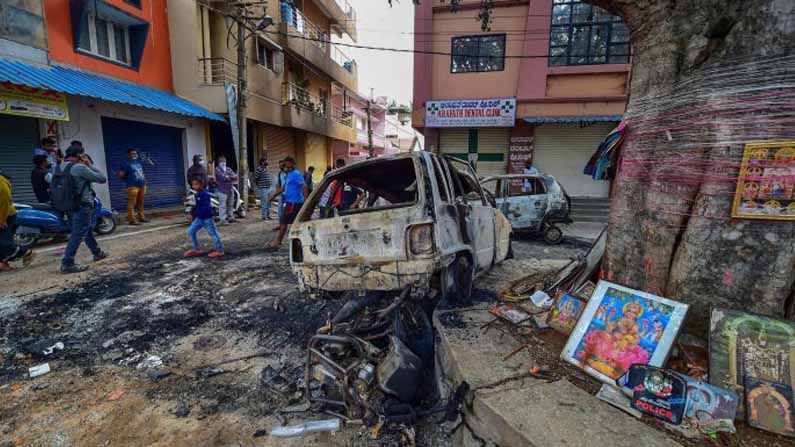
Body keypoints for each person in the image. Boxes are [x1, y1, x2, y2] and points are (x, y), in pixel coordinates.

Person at [60, 145, 108, 274]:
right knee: (78, 233)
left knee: (84, 229)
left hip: (68, 205)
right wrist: (89, 164)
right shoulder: (79, 168)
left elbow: (49, 180)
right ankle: (67, 263)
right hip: (82, 204)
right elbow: (102, 179)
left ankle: (97, 252)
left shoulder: (58, 167)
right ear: (80, 155)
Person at [268, 157, 307, 248]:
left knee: (283, 221)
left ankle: (278, 242)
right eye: (285, 164)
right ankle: (299, 241)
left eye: (287, 164)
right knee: (295, 222)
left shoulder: (296, 174)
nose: (286, 166)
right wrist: (273, 195)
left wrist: (306, 201)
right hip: (290, 202)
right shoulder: (289, 175)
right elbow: (283, 187)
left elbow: (304, 187)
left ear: (293, 164)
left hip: (294, 202)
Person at [0, 171, 35, 271]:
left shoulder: (1, 181)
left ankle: (26, 253)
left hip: (6, 215)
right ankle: (3, 264)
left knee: (4, 243)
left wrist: (2, 219)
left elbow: (5, 201)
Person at [184, 178, 224, 258]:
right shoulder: (197, 194)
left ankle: (220, 251)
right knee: (191, 231)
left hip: (207, 218)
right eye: (193, 184)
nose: (194, 186)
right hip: (199, 218)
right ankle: (196, 249)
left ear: (201, 185)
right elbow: (197, 206)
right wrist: (193, 214)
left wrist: (197, 214)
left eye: (196, 184)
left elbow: (205, 208)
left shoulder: (204, 194)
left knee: (213, 233)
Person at [118, 149, 147, 225]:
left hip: (142, 185)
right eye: (132, 153)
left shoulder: (139, 162)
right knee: (132, 203)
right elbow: (121, 175)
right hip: (132, 186)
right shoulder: (125, 163)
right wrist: (128, 181)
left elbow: (142, 172)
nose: (134, 155)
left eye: (135, 153)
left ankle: (142, 218)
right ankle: (132, 220)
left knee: (140, 203)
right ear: (128, 155)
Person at [214, 156, 238, 224]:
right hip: (222, 190)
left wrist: (229, 177)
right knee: (223, 205)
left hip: (230, 188)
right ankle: (223, 219)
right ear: (219, 162)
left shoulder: (228, 169)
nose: (223, 163)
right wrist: (230, 177)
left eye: (224, 161)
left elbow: (235, 176)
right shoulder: (217, 169)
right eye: (221, 161)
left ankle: (230, 217)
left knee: (230, 204)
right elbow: (222, 178)